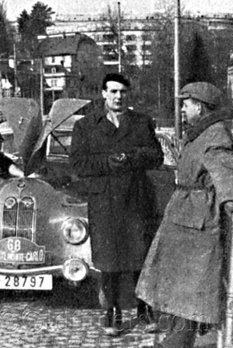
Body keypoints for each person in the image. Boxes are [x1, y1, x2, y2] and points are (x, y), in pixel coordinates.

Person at [135, 82, 233, 347]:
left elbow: (227, 174)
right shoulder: (201, 133)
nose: (183, 109)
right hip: (185, 218)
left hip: (197, 224)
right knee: (177, 290)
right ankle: (174, 338)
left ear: (199, 106)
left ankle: (176, 342)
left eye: (186, 103)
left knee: (190, 293)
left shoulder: (216, 136)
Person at [70, 73, 164, 336]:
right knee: (108, 261)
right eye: (112, 91)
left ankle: (144, 311)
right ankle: (111, 313)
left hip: (136, 200)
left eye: (122, 92)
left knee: (139, 257)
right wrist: (109, 161)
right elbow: (78, 164)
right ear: (103, 94)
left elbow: (156, 156)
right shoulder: (86, 126)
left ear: (128, 94)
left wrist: (131, 157)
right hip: (104, 202)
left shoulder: (141, 123)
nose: (118, 97)